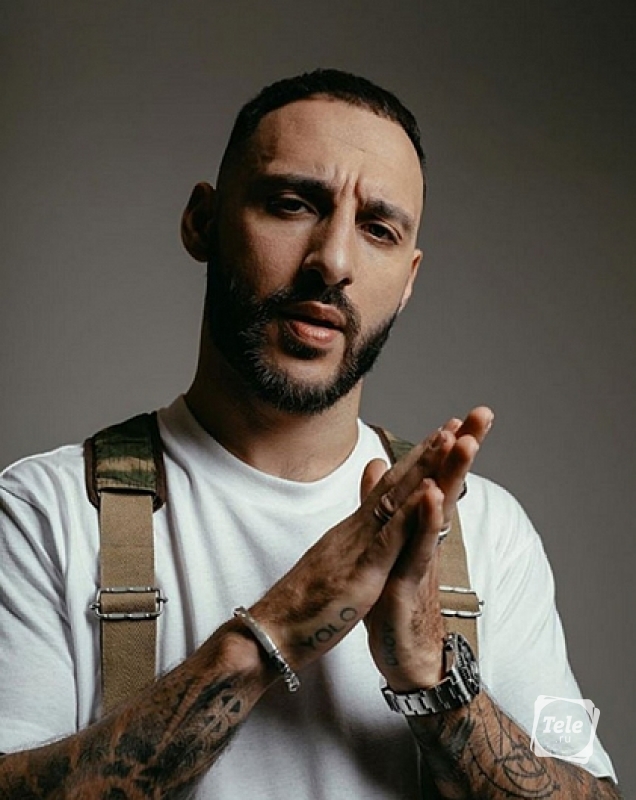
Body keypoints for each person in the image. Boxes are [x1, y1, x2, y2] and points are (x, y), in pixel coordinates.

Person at [0, 69, 620, 798]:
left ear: (409, 278)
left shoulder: (486, 533)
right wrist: (280, 626)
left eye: (378, 229)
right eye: (292, 205)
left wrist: (433, 676)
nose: (333, 261)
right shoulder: (46, 513)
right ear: (203, 222)